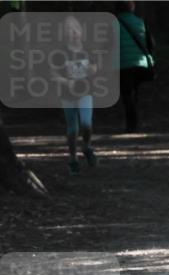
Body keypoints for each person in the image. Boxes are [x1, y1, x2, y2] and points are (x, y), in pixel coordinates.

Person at [52, 16, 97, 175]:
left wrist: (92, 70)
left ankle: (87, 146)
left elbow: (94, 67)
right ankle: (72, 158)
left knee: (86, 123)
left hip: (85, 92)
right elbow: (54, 74)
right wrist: (66, 82)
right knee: (72, 129)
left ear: (81, 31)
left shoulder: (88, 49)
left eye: (75, 29)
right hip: (67, 94)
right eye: (69, 30)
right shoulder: (60, 52)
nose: (73, 32)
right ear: (64, 34)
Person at [115, 1, 154, 133]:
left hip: (123, 63)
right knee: (134, 92)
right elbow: (151, 43)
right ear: (131, 7)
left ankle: (131, 123)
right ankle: (134, 122)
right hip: (140, 63)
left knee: (127, 94)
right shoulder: (140, 22)